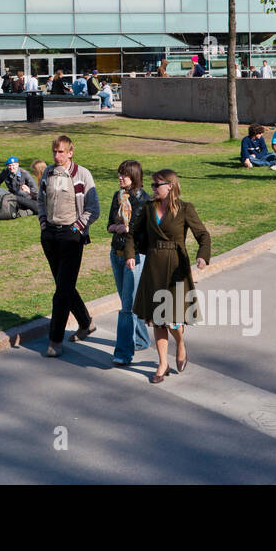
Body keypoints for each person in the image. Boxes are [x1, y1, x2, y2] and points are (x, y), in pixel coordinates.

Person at [132, 169, 210, 384]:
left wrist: (202, 257)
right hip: (153, 265)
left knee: (174, 321)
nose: (153, 189)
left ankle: (181, 344)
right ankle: (162, 363)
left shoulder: (185, 209)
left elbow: (203, 235)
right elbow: (133, 233)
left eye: (157, 185)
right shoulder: (148, 208)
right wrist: (130, 253)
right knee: (158, 320)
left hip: (177, 266)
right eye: (153, 185)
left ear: (170, 186)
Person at [36, 134, 100, 357]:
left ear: (71, 152)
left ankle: (55, 340)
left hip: (72, 236)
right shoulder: (48, 173)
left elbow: (94, 208)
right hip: (50, 235)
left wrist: (77, 227)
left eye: (61, 151)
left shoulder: (82, 174)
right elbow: (40, 200)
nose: (57, 155)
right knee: (64, 285)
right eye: (55, 151)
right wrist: (43, 222)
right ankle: (86, 322)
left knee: (61, 291)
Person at [106, 159, 153, 367]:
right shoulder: (118, 197)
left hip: (134, 257)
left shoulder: (144, 201)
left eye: (124, 174)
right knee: (129, 302)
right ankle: (142, 339)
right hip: (116, 253)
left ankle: (123, 353)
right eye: (119, 173)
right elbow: (109, 225)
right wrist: (119, 227)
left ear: (134, 177)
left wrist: (125, 228)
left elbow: (140, 233)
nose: (120, 177)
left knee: (126, 307)